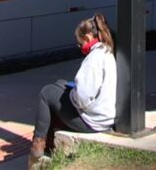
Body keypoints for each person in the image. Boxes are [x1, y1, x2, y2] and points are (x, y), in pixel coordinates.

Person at [29, 14, 116, 168]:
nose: (80, 47)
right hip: (103, 117)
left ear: (88, 37)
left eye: (80, 43)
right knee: (59, 85)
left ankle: (37, 148)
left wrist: (71, 95)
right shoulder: (106, 51)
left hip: (91, 122)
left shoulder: (93, 59)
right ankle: (47, 145)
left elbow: (82, 99)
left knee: (46, 92)